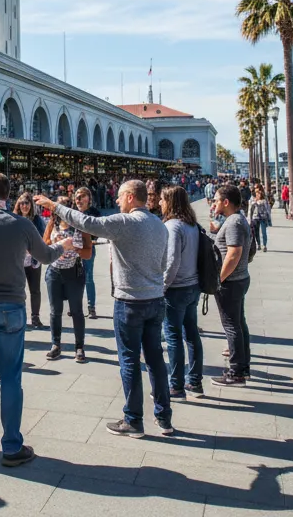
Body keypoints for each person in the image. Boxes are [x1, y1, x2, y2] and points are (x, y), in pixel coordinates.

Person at [34, 180, 174, 438]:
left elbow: (87, 223)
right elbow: (164, 263)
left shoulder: (125, 222)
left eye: (120, 197)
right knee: (155, 359)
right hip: (155, 300)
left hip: (130, 301)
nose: (117, 202)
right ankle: (164, 418)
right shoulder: (159, 224)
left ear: (131, 197)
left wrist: (54, 205)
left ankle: (133, 420)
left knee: (130, 359)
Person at [0, 172, 72, 466]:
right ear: (8, 195)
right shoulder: (22, 224)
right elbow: (44, 256)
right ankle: (11, 446)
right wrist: (63, 247)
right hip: (12, 306)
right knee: (10, 378)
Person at [161, 186, 203, 399]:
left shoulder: (172, 226)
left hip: (176, 289)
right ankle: (195, 382)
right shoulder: (192, 224)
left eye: (162, 199)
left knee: (173, 337)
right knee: (191, 334)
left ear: (170, 202)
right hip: (193, 286)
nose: (160, 203)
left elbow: (171, 262)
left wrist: (162, 287)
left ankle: (176, 385)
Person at [208, 184, 252, 387]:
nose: (213, 203)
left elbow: (234, 253)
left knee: (231, 326)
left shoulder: (234, 222)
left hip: (231, 281)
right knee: (239, 323)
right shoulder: (238, 219)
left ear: (226, 202)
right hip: (239, 278)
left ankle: (236, 372)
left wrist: (219, 278)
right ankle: (243, 367)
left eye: (216, 200)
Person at [42, 196, 91, 362]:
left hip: (73, 272)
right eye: (58, 207)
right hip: (54, 272)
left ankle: (79, 347)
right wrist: (56, 244)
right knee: (55, 311)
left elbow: (88, 252)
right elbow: (44, 243)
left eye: (64, 207)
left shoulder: (79, 225)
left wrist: (75, 248)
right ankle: (55, 345)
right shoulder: (52, 223)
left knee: (76, 311)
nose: (60, 211)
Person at [14, 192, 46, 329]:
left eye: (27, 203)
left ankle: (35, 317)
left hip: (33, 260)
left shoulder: (37, 219)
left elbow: (43, 238)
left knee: (35, 290)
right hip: (18, 260)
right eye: (21, 203)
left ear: (31, 205)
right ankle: (18, 317)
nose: (24, 206)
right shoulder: (14, 218)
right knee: (18, 290)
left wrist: (33, 248)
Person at [73, 187, 103, 319]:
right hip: (72, 251)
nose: (79, 199)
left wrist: (91, 239)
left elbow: (99, 231)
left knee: (88, 277)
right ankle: (75, 306)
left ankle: (91, 307)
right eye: (77, 196)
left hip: (88, 248)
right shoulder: (71, 212)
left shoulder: (94, 213)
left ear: (89, 198)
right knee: (73, 278)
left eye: (82, 196)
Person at [248, 188, 271, 252]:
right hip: (255, 218)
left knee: (264, 232)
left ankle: (264, 245)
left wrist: (269, 218)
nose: (257, 195)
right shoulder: (253, 201)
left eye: (259, 194)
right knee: (256, 232)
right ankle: (258, 244)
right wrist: (249, 219)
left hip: (263, 218)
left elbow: (267, 210)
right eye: (256, 194)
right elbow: (250, 210)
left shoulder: (264, 201)